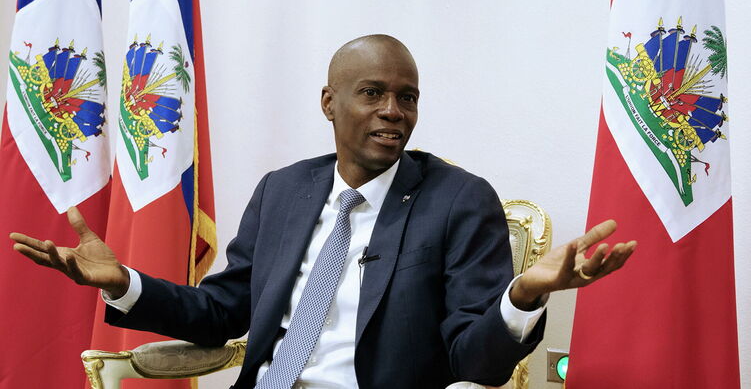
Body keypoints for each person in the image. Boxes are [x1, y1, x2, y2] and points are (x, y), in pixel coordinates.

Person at [10, 34, 636, 389]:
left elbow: (476, 362)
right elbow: (222, 311)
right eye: (373, 93)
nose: (394, 111)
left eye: (408, 97)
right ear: (329, 103)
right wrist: (124, 283)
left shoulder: (458, 200)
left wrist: (523, 295)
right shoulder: (283, 191)